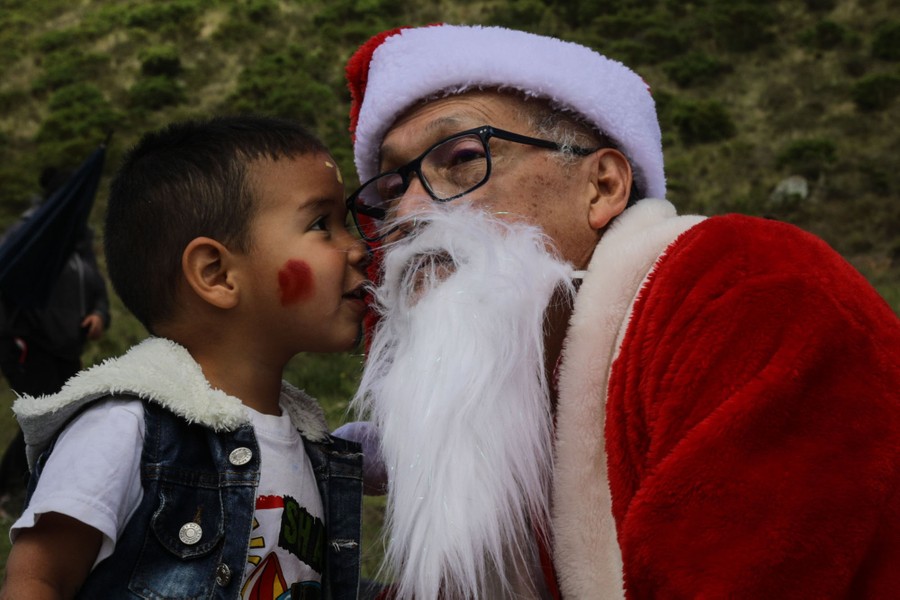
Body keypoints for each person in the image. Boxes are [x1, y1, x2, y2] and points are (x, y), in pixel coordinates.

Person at [343, 24, 900, 599]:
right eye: (387, 191)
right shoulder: (520, 395)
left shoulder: (745, 285)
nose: (406, 213)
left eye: (461, 157)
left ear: (603, 185)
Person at [0, 115, 370, 599]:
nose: (358, 248)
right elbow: (38, 579)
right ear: (216, 274)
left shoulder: (311, 453)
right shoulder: (125, 428)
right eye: (322, 224)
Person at [0, 168, 111, 505]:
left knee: (67, 413)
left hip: (66, 344)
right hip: (27, 344)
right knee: (44, 415)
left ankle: (40, 483)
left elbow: (96, 288)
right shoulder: (29, 232)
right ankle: (9, 489)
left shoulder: (78, 239)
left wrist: (99, 314)